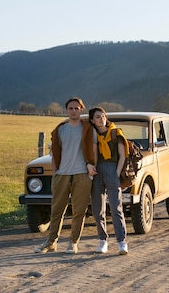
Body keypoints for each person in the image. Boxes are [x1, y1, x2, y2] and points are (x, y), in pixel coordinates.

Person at [35, 97, 96, 254]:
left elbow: (94, 150)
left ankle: (73, 242)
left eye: (77, 108)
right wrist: (55, 173)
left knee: (78, 211)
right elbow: (55, 153)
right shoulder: (60, 130)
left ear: (81, 109)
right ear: (66, 110)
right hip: (62, 175)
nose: (74, 111)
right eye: (71, 108)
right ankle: (51, 242)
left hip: (82, 174)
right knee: (56, 211)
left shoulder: (88, 128)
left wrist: (91, 165)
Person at [88, 107, 129, 255]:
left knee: (116, 208)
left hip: (112, 169)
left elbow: (122, 156)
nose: (101, 119)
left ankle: (122, 242)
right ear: (92, 120)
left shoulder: (115, 132)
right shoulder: (92, 135)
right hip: (97, 171)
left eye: (103, 116)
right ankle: (102, 240)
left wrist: (116, 174)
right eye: (97, 117)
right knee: (98, 209)